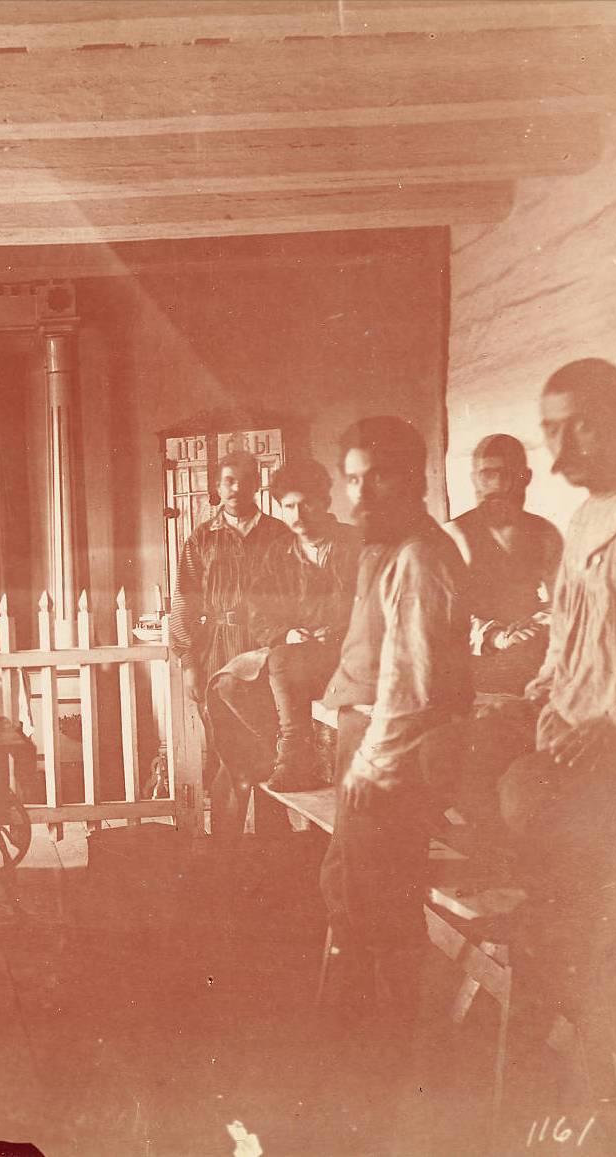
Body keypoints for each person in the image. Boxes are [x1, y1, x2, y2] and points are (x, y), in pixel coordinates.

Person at [497, 360, 616, 1021]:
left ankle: (570, 964)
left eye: (581, 427)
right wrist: (540, 692)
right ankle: (543, 920)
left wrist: (609, 725)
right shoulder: (579, 520)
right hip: (570, 724)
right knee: (445, 752)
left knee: (525, 794)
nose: (562, 444)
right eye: (551, 429)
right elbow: (566, 633)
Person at [317, 416, 471, 1134]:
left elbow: (412, 682)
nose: (359, 492)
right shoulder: (380, 551)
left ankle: (386, 1081)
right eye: (351, 477)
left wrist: (371, 763)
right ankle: (361, 1063)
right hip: (367, 742)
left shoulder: (419, 556)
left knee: (379, 909)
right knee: (350, 890)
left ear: (411, 478)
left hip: (393, 756)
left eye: (375, 476)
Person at [207, 459, 362, 823]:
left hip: (351, 652)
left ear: (325, 502)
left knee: (281, 661)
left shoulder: (355, 544)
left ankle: (295, 753)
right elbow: (259, 612)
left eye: (307, 504)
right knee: (229, 684)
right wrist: (288, 633)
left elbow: (376, 606)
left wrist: (336, 630)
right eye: (289, 506)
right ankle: (287, 748)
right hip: (298, 655)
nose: (298, 515)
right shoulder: (279, 552)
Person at [168, 450, 295, 836]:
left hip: (268, 650)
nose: (236, 488)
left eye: (244, 480)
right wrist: (189, 663)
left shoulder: (279, 534)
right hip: (218, 651)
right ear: (217, 487)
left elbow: (295, 594)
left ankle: (274, 841)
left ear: (257, 484)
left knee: (269, 743)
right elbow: (184, 600)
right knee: (227, 749)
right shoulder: (202, 538)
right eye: (228, 481)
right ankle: (226, 846)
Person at [444, 434, 563, 696]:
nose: (497, 484)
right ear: (475, 479)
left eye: (507, 474)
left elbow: (565, 604)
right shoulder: (453, 536)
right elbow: (440, 617)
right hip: (474, 664)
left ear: (525, 477)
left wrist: (536, 624)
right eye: (487, 474)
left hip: (534, 656)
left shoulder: (545, 533)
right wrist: (496, 637)